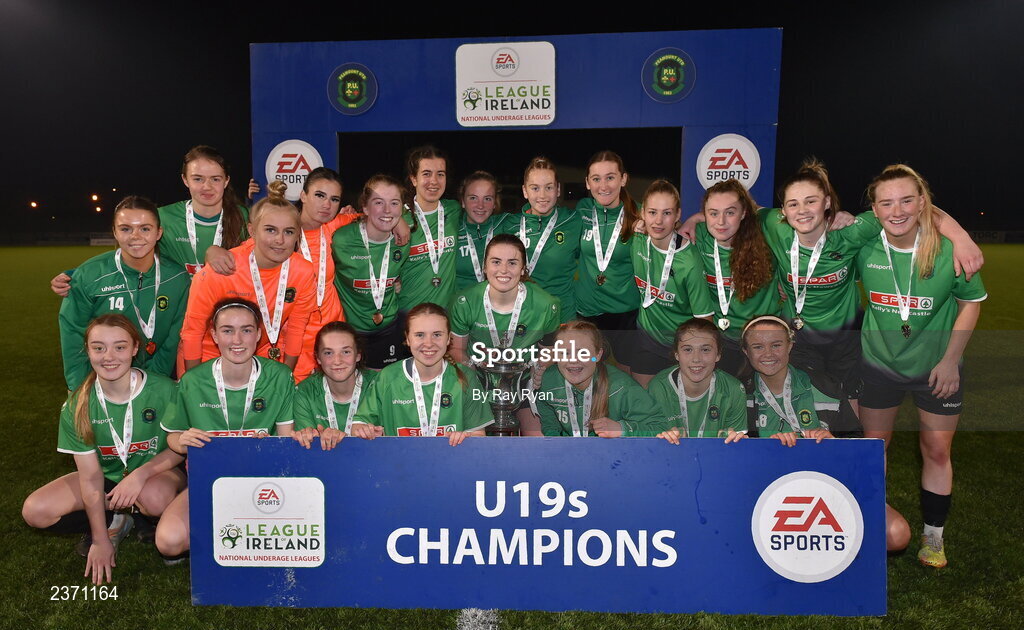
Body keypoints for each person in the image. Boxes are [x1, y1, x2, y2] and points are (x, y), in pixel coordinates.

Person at [857, 164, 987, 566]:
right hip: (879, 365)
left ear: (922, 203)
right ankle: (866, 524)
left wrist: (951, 361)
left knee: (935, 448)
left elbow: (971, 304)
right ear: (874, 211)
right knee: (872, 449)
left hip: (937, 368)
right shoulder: (864, 241)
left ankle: (934, 537)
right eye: (886, 202)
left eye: (906, 200)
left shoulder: (948, 248)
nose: (896, 211)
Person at [22, 315, 186, 583]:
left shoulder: (166, 390)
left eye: (119, 347)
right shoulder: (79, 404)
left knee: (155, 498)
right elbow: (90, 477)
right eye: (98, 348)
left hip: (156, 473)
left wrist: (139, 476)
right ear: (87, 351)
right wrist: (100, 540)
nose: (109, 356)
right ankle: (116, 519)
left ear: (135, 348)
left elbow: (179, 449)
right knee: (36, 511)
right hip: (106, 476)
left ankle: (143, 514)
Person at [204, 168, 407, 380]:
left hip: (332, 331)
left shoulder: (335, 226)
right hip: (294, 333)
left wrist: (400, 222)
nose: (327, 204)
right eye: (320, 195)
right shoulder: (282, 235)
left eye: (334, 199)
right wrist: (212, 251)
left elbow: (377, 216)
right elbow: (245, 252)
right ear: (303, 196)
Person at [156, 299, 295, 561]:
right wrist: (181, 440)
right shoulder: (192, 381)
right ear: (214, 335)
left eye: (246, 329)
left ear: (259, 334)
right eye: (227, 330)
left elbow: (286, 439)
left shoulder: (280, 376)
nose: (237, 339)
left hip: (263, 482)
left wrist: (271, 448)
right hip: (209, 481)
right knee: (168, 542)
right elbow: (173, 435)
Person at [48, 145, 252, 295]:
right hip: (175, 307)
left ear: (226, 181)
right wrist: (75, 275)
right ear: (185, 180)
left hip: (226, 307)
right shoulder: (162, 217)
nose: (206, 186)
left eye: (215, 179)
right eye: (198, 179)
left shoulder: (244, 217)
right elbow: (129, 252)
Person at [179, 180, 317, 374]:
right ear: (252, 231)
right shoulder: (222, 269)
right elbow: (193, 332)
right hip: (209, 357)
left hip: (261, 358)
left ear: (297, 236)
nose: (280, 240)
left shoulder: (303, 272)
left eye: (289, 232)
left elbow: (296, 328)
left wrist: (286, 376)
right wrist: (193, 382)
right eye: (270, 230)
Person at [58, 196, 190, 389]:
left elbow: (173, 338)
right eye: (126, 228)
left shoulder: (177, 277)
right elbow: (72, 333)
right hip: (102, 380)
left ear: (158, 233)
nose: (136, 236)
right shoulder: (89, 275)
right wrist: (80, 387)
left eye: (145, 228)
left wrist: (153, 381)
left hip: (157, 380)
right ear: (115, 232)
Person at [350, 303, 493, 444]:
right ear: (407, 338)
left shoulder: (466, 377)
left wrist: (465, 438)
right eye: (419, 335)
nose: (429, 343)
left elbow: (478, 436)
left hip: (449, 464)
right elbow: (358, 426)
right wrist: (365, 431)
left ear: (449, 338)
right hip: (398, 465)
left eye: (437, 334)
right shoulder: (388, 377)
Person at [629, 180, 716, 387]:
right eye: (652, 212)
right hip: (647, 337)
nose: (658, 221)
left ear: (678, 215)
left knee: (680, 410)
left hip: (681, 345)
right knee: (645, 403)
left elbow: (704, 320)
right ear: (642, 213)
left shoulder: (689, 261)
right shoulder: (637, 239)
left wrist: (693, 354)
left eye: (667, 213)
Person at [692, 179, 780, 376]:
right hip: (722, 340)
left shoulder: (766, 235)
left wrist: (836, 216)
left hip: (764, 337)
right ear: (704, 214)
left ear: (744, 213)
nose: (721, 222)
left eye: (730, 212)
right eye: (713, 213)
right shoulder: (697, 236)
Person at [332, 174, 412, 369]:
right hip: (351, 332)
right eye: (378, 202)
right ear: (365, 207)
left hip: (389, 329)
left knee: (385, 388)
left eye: (394, 203)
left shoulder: (403, 241)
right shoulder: (340, 239)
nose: (387, 210)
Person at [532, 320, 665, 437]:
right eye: (565, 353)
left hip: (614, 457)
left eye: (582, 352)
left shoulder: (621, 388)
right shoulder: (548, 382)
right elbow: (550, 424)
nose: (572, 360)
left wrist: (622, 429)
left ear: (598, 354)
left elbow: (661, 428)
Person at [574, 151, 641, 371]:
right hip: (587, 312)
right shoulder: (582, 209)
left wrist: (695, 220)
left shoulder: (640, 215)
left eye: (610, 177)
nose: (603, 185)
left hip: (624, 314)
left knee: (624, 375)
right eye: (596, 178)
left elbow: (671, 222)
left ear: (623, 179)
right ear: (587, 182)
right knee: (589, 372)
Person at [648, 319, 748, 443]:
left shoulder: (734, 389)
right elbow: (652, 444)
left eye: (705, 350)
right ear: (676, 354)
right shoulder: (659, 387)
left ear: (718, 355)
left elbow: (735, 446)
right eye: (688, 350)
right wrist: (664, 438)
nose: (696, 359)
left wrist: (737, 441)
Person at [506, 157, 581, 322]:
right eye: (535, 188)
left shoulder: (574, 221)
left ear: (558, 189)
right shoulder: (508, 224)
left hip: (563, 316)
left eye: (549, 187)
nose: (542, 195)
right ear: (525, 191)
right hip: (523, 316)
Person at [741, 316, 837, 446]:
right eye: (758, 347)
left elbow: (856, 440)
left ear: (789, 346)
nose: (768, 354)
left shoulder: (826, 387)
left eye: (776, 345)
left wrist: (835, 441)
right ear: (746, 351)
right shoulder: (738, 395)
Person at [292, 321, 378, 450]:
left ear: (358, 355)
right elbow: (308, 448)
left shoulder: (378, 385)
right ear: (318, 358)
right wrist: (312, 437)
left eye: (346, 352)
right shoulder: (305, 392)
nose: (337, 361)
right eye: (328, 353)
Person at [398, 146, 462, 312]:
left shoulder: (454, 209)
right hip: (409, 313)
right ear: (414, 179)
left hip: (446, 314)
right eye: (426, 174)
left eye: (440, 174)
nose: (434, 181)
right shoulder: (397, 216)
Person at [455, 171, 511, 292]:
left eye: (487, 198)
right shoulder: (451, 228)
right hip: (459, 305)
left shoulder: (507, 223)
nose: (480, 206)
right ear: (463, 202)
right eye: (473, 198)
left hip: (497, 305)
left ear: (495, 203)